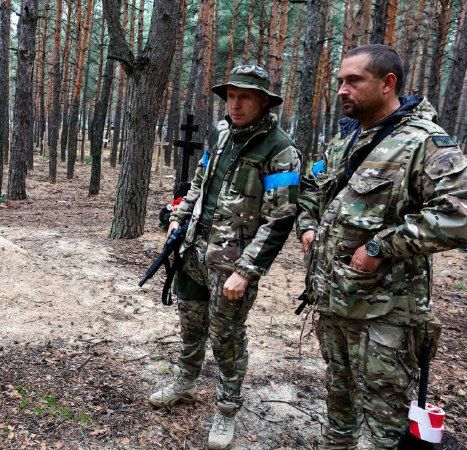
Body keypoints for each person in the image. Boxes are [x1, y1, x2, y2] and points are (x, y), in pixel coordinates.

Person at [296, 44, 467, 449]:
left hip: (385, 315)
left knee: (383, 418)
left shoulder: (423, 143)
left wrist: (381, 248)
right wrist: (307, 224)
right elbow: (313, 187)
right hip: (334, 299)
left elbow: (463, 218)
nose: (342, 90)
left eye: (354, 81)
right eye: (340, 82)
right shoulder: (344, 140)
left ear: (387, 83)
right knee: (338, 400)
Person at [149, 65, 301, 450]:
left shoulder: (280, 149)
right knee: (191, 323)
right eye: (231, 95)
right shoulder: (219, 133)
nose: (235, 103)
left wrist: (247, 272)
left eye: (245, 96)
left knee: (227, 337)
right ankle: (184, 382)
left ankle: (228, 408)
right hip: (194, 250)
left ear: (263, 101)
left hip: (232, 263)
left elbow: (280, 218)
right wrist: (179, 219)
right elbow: (199, 181)